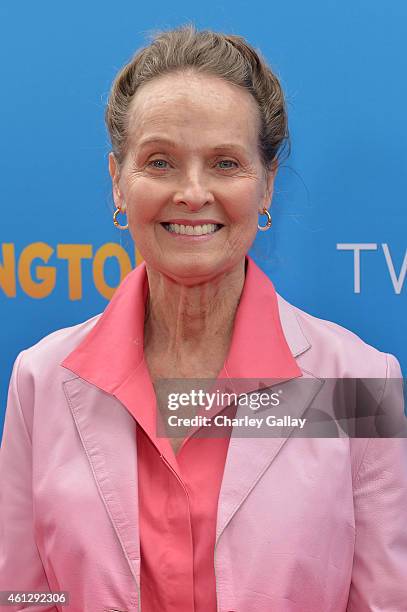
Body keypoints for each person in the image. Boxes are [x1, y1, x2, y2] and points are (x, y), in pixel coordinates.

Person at [0, 23, 406, 612]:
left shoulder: (360, 383)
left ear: (266, 186)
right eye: (160, 161)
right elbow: (24, 594)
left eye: (224, 163)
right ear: (118, 181)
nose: (192, 192)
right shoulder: (40, 380)